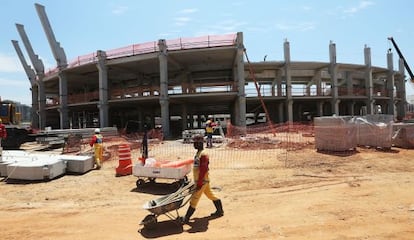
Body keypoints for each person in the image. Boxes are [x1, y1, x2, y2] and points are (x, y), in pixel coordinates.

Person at [181, 134, 224, 224]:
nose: (194, 145)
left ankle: (186, 218)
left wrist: (200, 182)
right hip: (203, 180)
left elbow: (203, 169)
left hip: (202, 181)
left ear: (200, 143)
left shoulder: (203, 154)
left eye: (195, 143)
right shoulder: (198, 153)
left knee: (194, 199)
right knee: (210, 195)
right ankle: (220, 211)